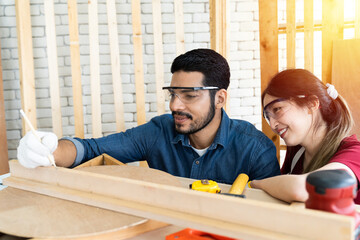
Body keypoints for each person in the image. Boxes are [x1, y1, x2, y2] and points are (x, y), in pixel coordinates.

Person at [17, 48, 280, 184]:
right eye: (173, 93)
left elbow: (272, 220)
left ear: (220, 98)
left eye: (189, 95)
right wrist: (49, 150)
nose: (175, 105)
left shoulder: (256, 149)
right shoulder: (158, 131)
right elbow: (90, 150)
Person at [250, 69, 360, 203]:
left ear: (311, 104)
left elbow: (301, 189)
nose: (272, 125)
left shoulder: (355, 154)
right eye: (268, 117)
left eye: (277, 109)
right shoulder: (297, 151)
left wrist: (257, 184)